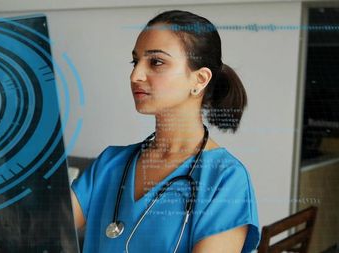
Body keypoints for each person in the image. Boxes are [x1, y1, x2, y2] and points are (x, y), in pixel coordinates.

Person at [69, 10, 260, 253]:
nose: (135, 75)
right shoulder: (110, 164)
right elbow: (38, 225)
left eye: (156, 62)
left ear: (199, 80)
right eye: (135, 61)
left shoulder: (225, 180)